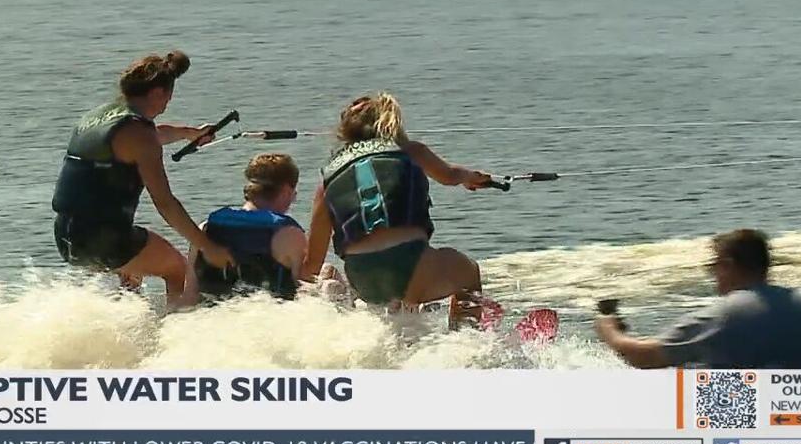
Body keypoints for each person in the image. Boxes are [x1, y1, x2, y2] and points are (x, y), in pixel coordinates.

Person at [51, 51, 234, 307]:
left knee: (132, 275)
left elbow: (152, 136)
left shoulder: (99, 117)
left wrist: (189, 134)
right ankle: (172, 338)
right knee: (177, 269)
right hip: (105, 238)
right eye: (168, 97)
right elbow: (165, 204)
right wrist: (207, 246)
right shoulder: (139, 135)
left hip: (67, 236)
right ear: (158, 92)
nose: (167, 104)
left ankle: (126, 335)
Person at [302, 92, 493, 328]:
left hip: (362, 277)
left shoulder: (327, 181)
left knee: (398, 291)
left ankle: (404, 333)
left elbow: (312, 264)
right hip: (410, 262)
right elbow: (450, 175)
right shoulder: (410, 151)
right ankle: (466, 342)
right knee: (468, 272)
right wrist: (470, 177)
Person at [594, 229, 801, 369]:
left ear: (728, 264)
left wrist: (609, 330)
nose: (712, 275)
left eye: (713, 266)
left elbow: (643, 358)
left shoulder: (723, 316)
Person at [186, 153, 308, 301]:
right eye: (293, 195)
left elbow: (189, 296)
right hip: (269, 315)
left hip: (212, 315)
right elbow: (306, 295)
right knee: (329, 274)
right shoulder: (288, 234)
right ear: (286, 191)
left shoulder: (205, 229)